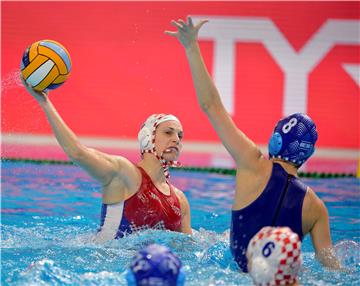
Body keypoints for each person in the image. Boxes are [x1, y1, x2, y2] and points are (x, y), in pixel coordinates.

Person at [165, 17, 341, 271]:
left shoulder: (251, 162)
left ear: (275, 140)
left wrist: (191, 46)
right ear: (307, 155)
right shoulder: (317, 208)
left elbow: (210, 105)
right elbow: (331, 267)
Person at [21, 80, 192, 243]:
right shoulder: (123, 173)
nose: (176, 139)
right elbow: (77, 153)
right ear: (147, 137)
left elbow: (188, 249)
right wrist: (45, 103)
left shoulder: (180, 200)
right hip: (104, 261)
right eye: (168, 133)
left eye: (180, 136)